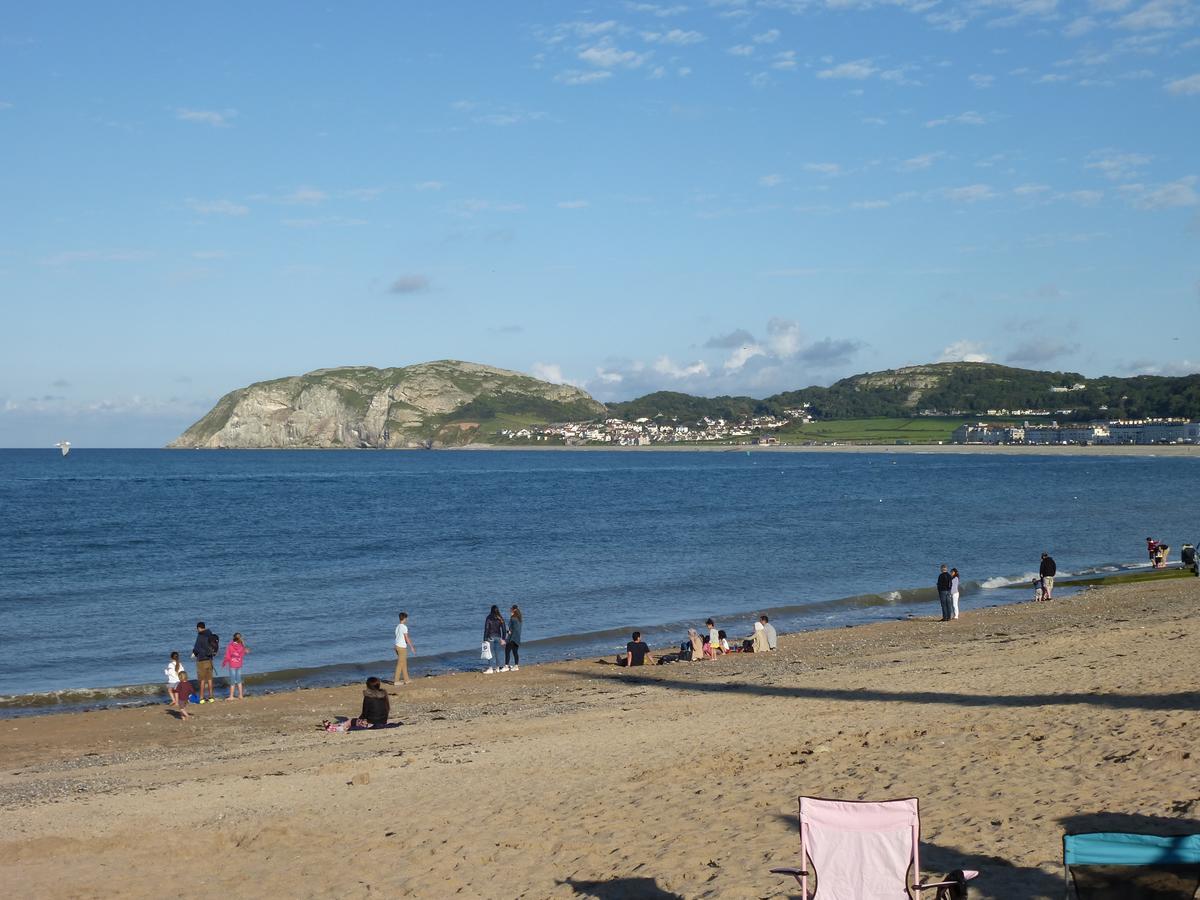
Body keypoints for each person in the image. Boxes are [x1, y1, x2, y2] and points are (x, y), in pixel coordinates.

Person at [191, 621, 217, 703]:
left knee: (202, 680)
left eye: (197, 629)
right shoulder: (210, 634)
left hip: (201, 660)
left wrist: (193, 654)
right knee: (209, 679)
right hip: (210, 660)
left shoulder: (200, 635)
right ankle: (211, 697)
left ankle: (201, 698)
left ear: (199, 628)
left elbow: (196, 648)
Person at [221, 632, 249, 700]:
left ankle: (231, 696)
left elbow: (227, 656)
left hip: (232, 665)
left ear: (233, 638)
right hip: (239, 665)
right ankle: (241, 695)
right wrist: (243, 644)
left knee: (232, 681)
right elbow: (247, 651)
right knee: (239, 680)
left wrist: (224, 663)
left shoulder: (230, 646)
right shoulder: (241, 646)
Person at [165, 652, 191, 719]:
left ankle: (174, 700)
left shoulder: (170, 664)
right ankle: (177, 703)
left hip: (172, 682)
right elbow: (183, 672)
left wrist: (165, 671)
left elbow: (168, 673)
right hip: (179, 682)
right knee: (178, 694)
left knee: (170, 690)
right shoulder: (180, 664)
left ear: (171, 658)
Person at [483, 605, 507, 674]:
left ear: (491, 610)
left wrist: (484, 639)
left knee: (489, 653)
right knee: (497, 653)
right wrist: (503, 638)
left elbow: (486, 629)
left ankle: (490, 668)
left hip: (490, 637)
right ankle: (497, 668)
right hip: (498, 637)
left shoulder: (489, 618)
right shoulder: (500, 618)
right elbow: (504, 629)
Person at [394, 612, 414, 685]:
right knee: (400, 664)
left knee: (404, 663)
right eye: (406, 618)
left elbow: (396, 637)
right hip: (401, 647)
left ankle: (406, 679)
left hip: (396, 646)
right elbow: (406, 638)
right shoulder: (404, 627)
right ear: (405, 618)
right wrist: (412, 647)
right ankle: (396, 681)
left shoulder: (397, 627)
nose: (407, 619)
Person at [503, 605, 522, 672]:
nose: (510, 610)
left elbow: (511, 630)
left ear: (513, 610)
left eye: (511, 609)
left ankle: (506, 666)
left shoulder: (513, 618)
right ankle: (516, 666)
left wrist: (507, 633)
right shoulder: (519, 618)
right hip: (517, 637)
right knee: (515, 652)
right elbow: (517, 629)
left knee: (507, 651)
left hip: (512, 638)